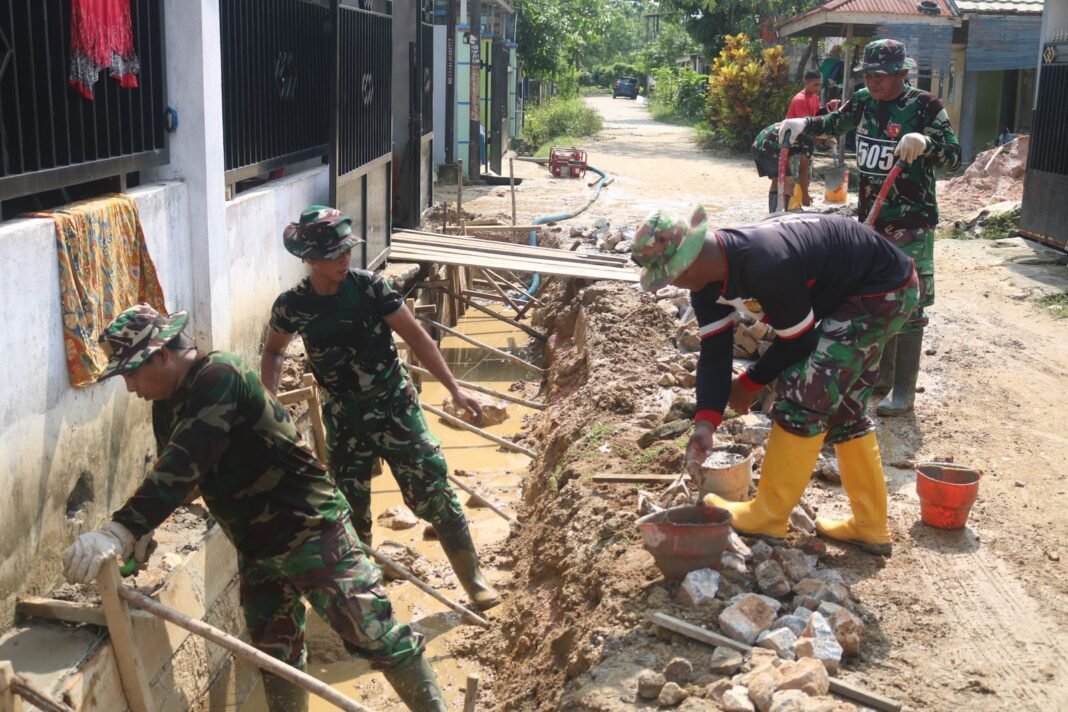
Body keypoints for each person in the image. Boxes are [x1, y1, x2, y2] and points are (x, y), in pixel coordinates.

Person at [62, 305, 446, 711]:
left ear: (162, 355)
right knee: (275, 655)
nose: (130, 387)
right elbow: (181, 478)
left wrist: (122, 527)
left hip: (312, 533)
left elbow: (185, 461)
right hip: (256, 547)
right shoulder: (167, 405)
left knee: (376, 635)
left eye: (131, 373)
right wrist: (144, 531)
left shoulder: (220, 376)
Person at [631, 209, 919, 556]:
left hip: (881, 290)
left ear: (686, 264)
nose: (670, 284)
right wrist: (706, 423)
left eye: (668, 276)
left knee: (803, 395)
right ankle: (870, 525)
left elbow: (799, 342)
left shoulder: (765, 264)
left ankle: (768, 514)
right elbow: (715, 352)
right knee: (844, 407)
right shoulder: (707, 284)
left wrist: (751, 381)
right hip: (862, 288)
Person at [261, 205, 500, 612]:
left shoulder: (372, 288)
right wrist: (269, 408)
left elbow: (418, 338)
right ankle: (367, 601)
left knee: (433, 491)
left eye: (345, 250)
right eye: (334, 253)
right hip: (344, 417)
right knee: (350, 510)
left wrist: (455, 389)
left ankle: (474, 581)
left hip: (395, 407)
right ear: (310, 259)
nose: (344, 258)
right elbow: (274, 351)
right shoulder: (292, 305)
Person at [778, 39, 961, 416]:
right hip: (872, 219)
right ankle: (881, 375)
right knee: (878, 297)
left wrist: (925, 142)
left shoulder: (925, 106)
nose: (873, 81)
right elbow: (834, 122)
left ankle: (904, 392)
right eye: (868, 74)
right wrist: (803, 125)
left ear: (901, 74)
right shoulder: (863, 100)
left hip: (911, 220)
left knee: (910, 302)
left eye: (880, 75)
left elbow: (954, 156)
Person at [752, 121, 817, 212]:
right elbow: (803, 171)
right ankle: (779, 217)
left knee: (776, 181)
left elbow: (787, 158)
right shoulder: (809, 140)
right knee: (788, 183)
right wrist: (805, 195)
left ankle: (772, 215)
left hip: (758, 144)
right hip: (771, 147)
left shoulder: (802, 127)